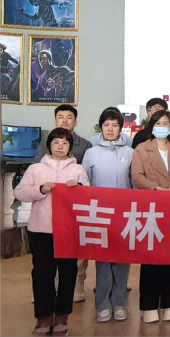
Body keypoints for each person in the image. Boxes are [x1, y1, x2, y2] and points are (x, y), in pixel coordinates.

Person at [14, 128, 89, 336]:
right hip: (41, 230)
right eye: (56, 142)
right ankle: (43, 317)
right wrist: (40, 189)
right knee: (42, 274)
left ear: (70, 146)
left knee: (67, 274)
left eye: (65, 143)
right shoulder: (36, 169)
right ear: (49, 145)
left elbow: (87, 196)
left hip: (68, 231)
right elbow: (19, 192)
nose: (60, 146)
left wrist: (78, 187)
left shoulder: (78, 169)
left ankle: (62, 317)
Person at [130, 110, 170, 323]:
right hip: (151, 207)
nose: (161, 127)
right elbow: (137, 177)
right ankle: (149, 305)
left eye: (165, 123)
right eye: (158, 123)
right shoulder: (142, 148)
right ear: (151, 126)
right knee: (151, 258)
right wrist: (158, 189)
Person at [81, 109, 133, 323]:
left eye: (114, 125)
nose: (110, 129)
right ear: (100, 127)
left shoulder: (130, 152)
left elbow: (134, 184)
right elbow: (84, 183)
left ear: (120, 128)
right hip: (100, 214)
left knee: (122, 261)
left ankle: (119, 303)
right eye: (106, 125)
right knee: (103, 262)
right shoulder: (91, 153)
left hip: (124, 215)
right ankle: (102, 304)